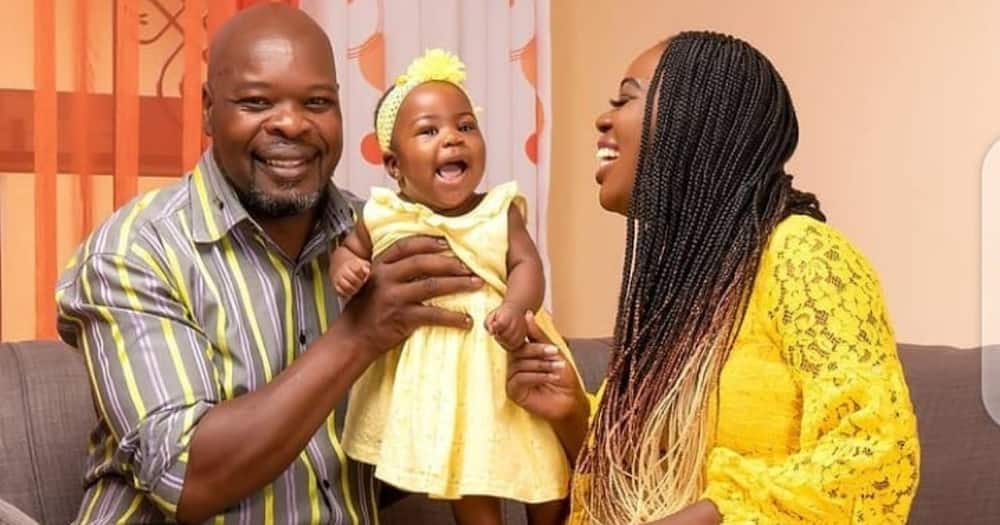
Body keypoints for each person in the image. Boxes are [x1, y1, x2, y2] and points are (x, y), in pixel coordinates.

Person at [55, 5, 483, 524]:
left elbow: (394, 457)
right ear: (209, 110)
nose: (291, 123)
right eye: (257, 102)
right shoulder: (135, 251)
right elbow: (186, 479)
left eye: (318, 102)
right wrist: (359, 334)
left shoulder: (380, 235)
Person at [506, 31, 921, 524]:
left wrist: (709, 516)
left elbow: (877, 457)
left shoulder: (803, 255)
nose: (603, 118)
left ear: (696, 120)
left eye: (626, 98)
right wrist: (573, 413)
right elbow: (645, 487)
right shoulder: (677, 293)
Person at [331, 49, 579, 525]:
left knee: (542, 460)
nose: (452, 139)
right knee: (463, 470)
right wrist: (348, 269)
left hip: (507, 356)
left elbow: (528, 263)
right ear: (393, 164)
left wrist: (515, 305)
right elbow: (351, 249)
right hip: (443, 376)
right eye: (429, 131)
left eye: (465, 126)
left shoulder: (498, 208)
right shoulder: (384, 214)